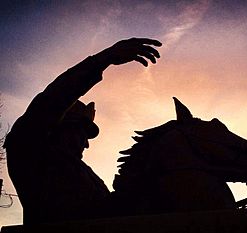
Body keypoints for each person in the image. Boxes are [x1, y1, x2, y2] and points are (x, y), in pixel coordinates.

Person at [4, 38, 162, 225]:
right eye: (82, 133)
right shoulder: (31, 154)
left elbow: (105, 214)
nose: (86, 143)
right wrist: (104, 59)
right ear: (59, 127)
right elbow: (53, 99)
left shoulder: (86, 173)